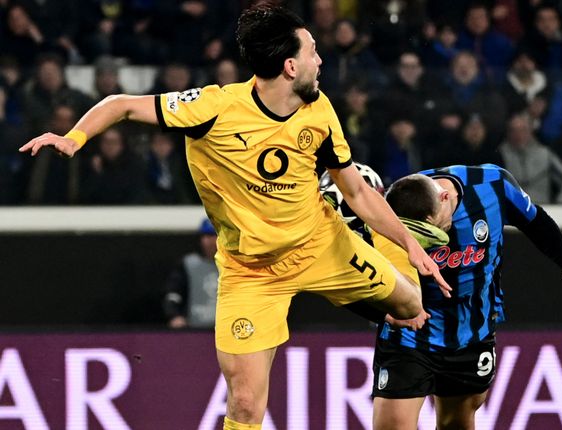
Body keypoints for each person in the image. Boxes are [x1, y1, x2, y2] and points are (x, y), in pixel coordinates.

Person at [20, 5, 450, 429]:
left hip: (321, 243)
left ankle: (370, 278)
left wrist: (409, 245)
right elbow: (122, 104)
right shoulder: (214, 108)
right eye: (312, 52)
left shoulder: (319, 111)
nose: (320, 61)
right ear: (289, 67)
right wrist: (74, 138)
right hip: (251, 273)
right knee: (244, 404)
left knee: (412, 304)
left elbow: (356, 190)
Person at [360, 164, 562, 430]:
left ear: (444, 197)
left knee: (455, 424)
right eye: (420, 233)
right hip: (409, 330)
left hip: (471, 332)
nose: (433, 237)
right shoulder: (394, 205)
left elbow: (534, 220)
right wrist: (381, 311)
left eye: (433, 226)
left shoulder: (493, 185)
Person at [164, 218, 219, 329]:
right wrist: (174, 315)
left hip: (225, 327)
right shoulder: (188, 264)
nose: (209, 241)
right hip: (194, 328)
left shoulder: (234, 265)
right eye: (205, 236)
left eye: (213, 235)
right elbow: (173, 293)